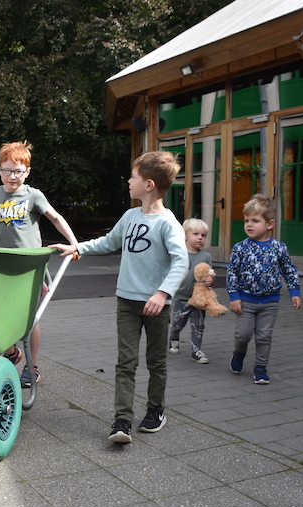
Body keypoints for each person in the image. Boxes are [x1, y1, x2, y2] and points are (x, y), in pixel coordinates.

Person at [52, 151, 188, 444]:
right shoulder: (129, 217)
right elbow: (107, 242)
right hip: (126, 302)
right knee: (126, 362)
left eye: (134, 177)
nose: (128, 181)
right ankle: (122, 420)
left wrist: (162, 294)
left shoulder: (168, 224)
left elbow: (181, 262)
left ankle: (155, 411)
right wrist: (78, 248)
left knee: (156, 362)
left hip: (156, 307)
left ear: (149, 184)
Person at [0, 141, 77, 387]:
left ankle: (33, 367)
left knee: (30, 319)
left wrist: (74, 242)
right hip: (3, 263)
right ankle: (11, 352)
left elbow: (55, 217)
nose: (12, 176)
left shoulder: (33, 195)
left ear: (27, 172)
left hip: (30, 265)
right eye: (7, 170)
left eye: (18, 171)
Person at [227, 194, 302, 385]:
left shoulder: (279, 248)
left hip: (270, 302)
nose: (249, 225)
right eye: (246, 221)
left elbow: (289, 270)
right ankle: (239, 352)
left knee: (264, 336)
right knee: (242, 334)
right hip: (246, 301)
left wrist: (294, 292)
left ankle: (260, 368)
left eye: (255, 220)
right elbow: (232, 273)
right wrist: (234, 297)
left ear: (270, 224)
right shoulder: (240, 248)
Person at [169, 218, 214, 364]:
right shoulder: (178, 254)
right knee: (177, 323)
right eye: (196, 234)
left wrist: (209, 280)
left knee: (198, 325)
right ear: (185, 236)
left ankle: (196, 351)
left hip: (199, 298)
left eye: (203, 235)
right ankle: (174, 338)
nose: (200, 237)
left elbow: (209, 274)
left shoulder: (206, 256)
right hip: (181, 297)